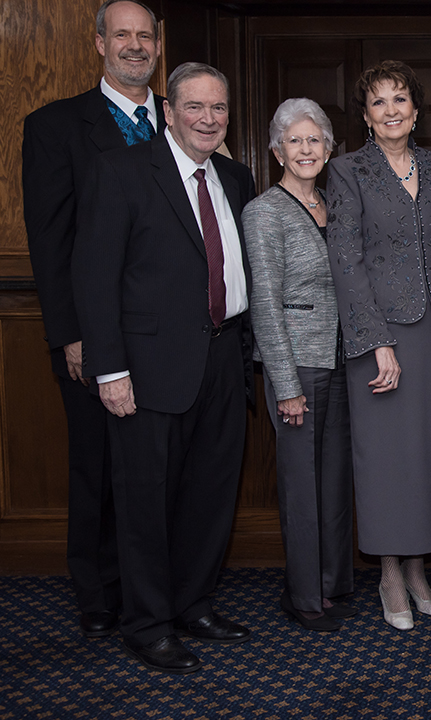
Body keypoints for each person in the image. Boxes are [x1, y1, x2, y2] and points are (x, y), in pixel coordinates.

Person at [72, 62, 256, 674]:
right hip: (147, 369)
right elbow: (94, 278)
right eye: (196, 107)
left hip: (225, 357)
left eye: (219, 108)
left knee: (209, 495)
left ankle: (193, 606)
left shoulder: (234, 176)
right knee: (146, 501)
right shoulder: (122, 171)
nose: (209, 118)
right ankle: (147, 623)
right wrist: (109, 370)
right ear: (169, 112)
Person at [21, 0, 163, 640]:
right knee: (99, 468)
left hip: (171, 339)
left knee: (158, 472)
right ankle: (99, 595)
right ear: (99, 43)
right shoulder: (55, 126)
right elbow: (51, 242)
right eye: (122, 36)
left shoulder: (182, 118)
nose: (135, 46)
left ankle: (158, 588)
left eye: (145, 37)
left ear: (158, 45)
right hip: (97, 334)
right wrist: (73, 335)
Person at [326, 61, 431, 631]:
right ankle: (388, 572)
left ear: (415, 110)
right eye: (378, 102)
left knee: (427, 454)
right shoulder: (347, 171)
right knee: (383, 459)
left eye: (400, 99)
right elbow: (345, 261)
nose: (391, 110)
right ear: (366, 116)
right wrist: (375, 340)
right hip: (379, 332)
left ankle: (420, 567)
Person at [242, 99, 354, 632]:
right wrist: (285, 386)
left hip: (338, 362)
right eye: (295, 140)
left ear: (329, 149)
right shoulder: (264, 211)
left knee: (333, 480)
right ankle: (304, 596)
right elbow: (264, 302)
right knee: (300, 485)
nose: (306, 149)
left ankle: (333, 583)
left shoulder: (334, 203)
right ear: (276, 150)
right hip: (296, 368)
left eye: (315, 140)